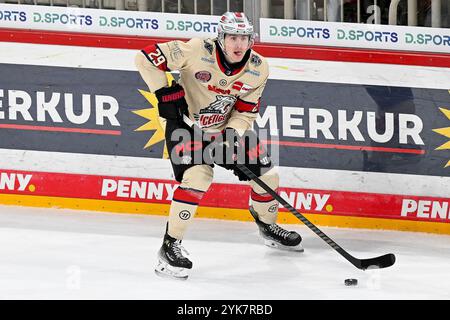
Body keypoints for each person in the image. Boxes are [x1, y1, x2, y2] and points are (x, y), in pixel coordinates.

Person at [135, 12, 303, 280]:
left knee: (268, 176)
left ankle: (268, 227)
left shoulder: (259, 67)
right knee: (198, 176)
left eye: (244, 38)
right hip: (187, 127)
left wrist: (232, 135)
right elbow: (145, 57)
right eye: (233, 37)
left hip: (225, 129)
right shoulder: (195, 49)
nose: (239, 44)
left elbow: (246, 111)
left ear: (251, 41)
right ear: (221, 38)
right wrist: (163, 92)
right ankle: (169, 247)